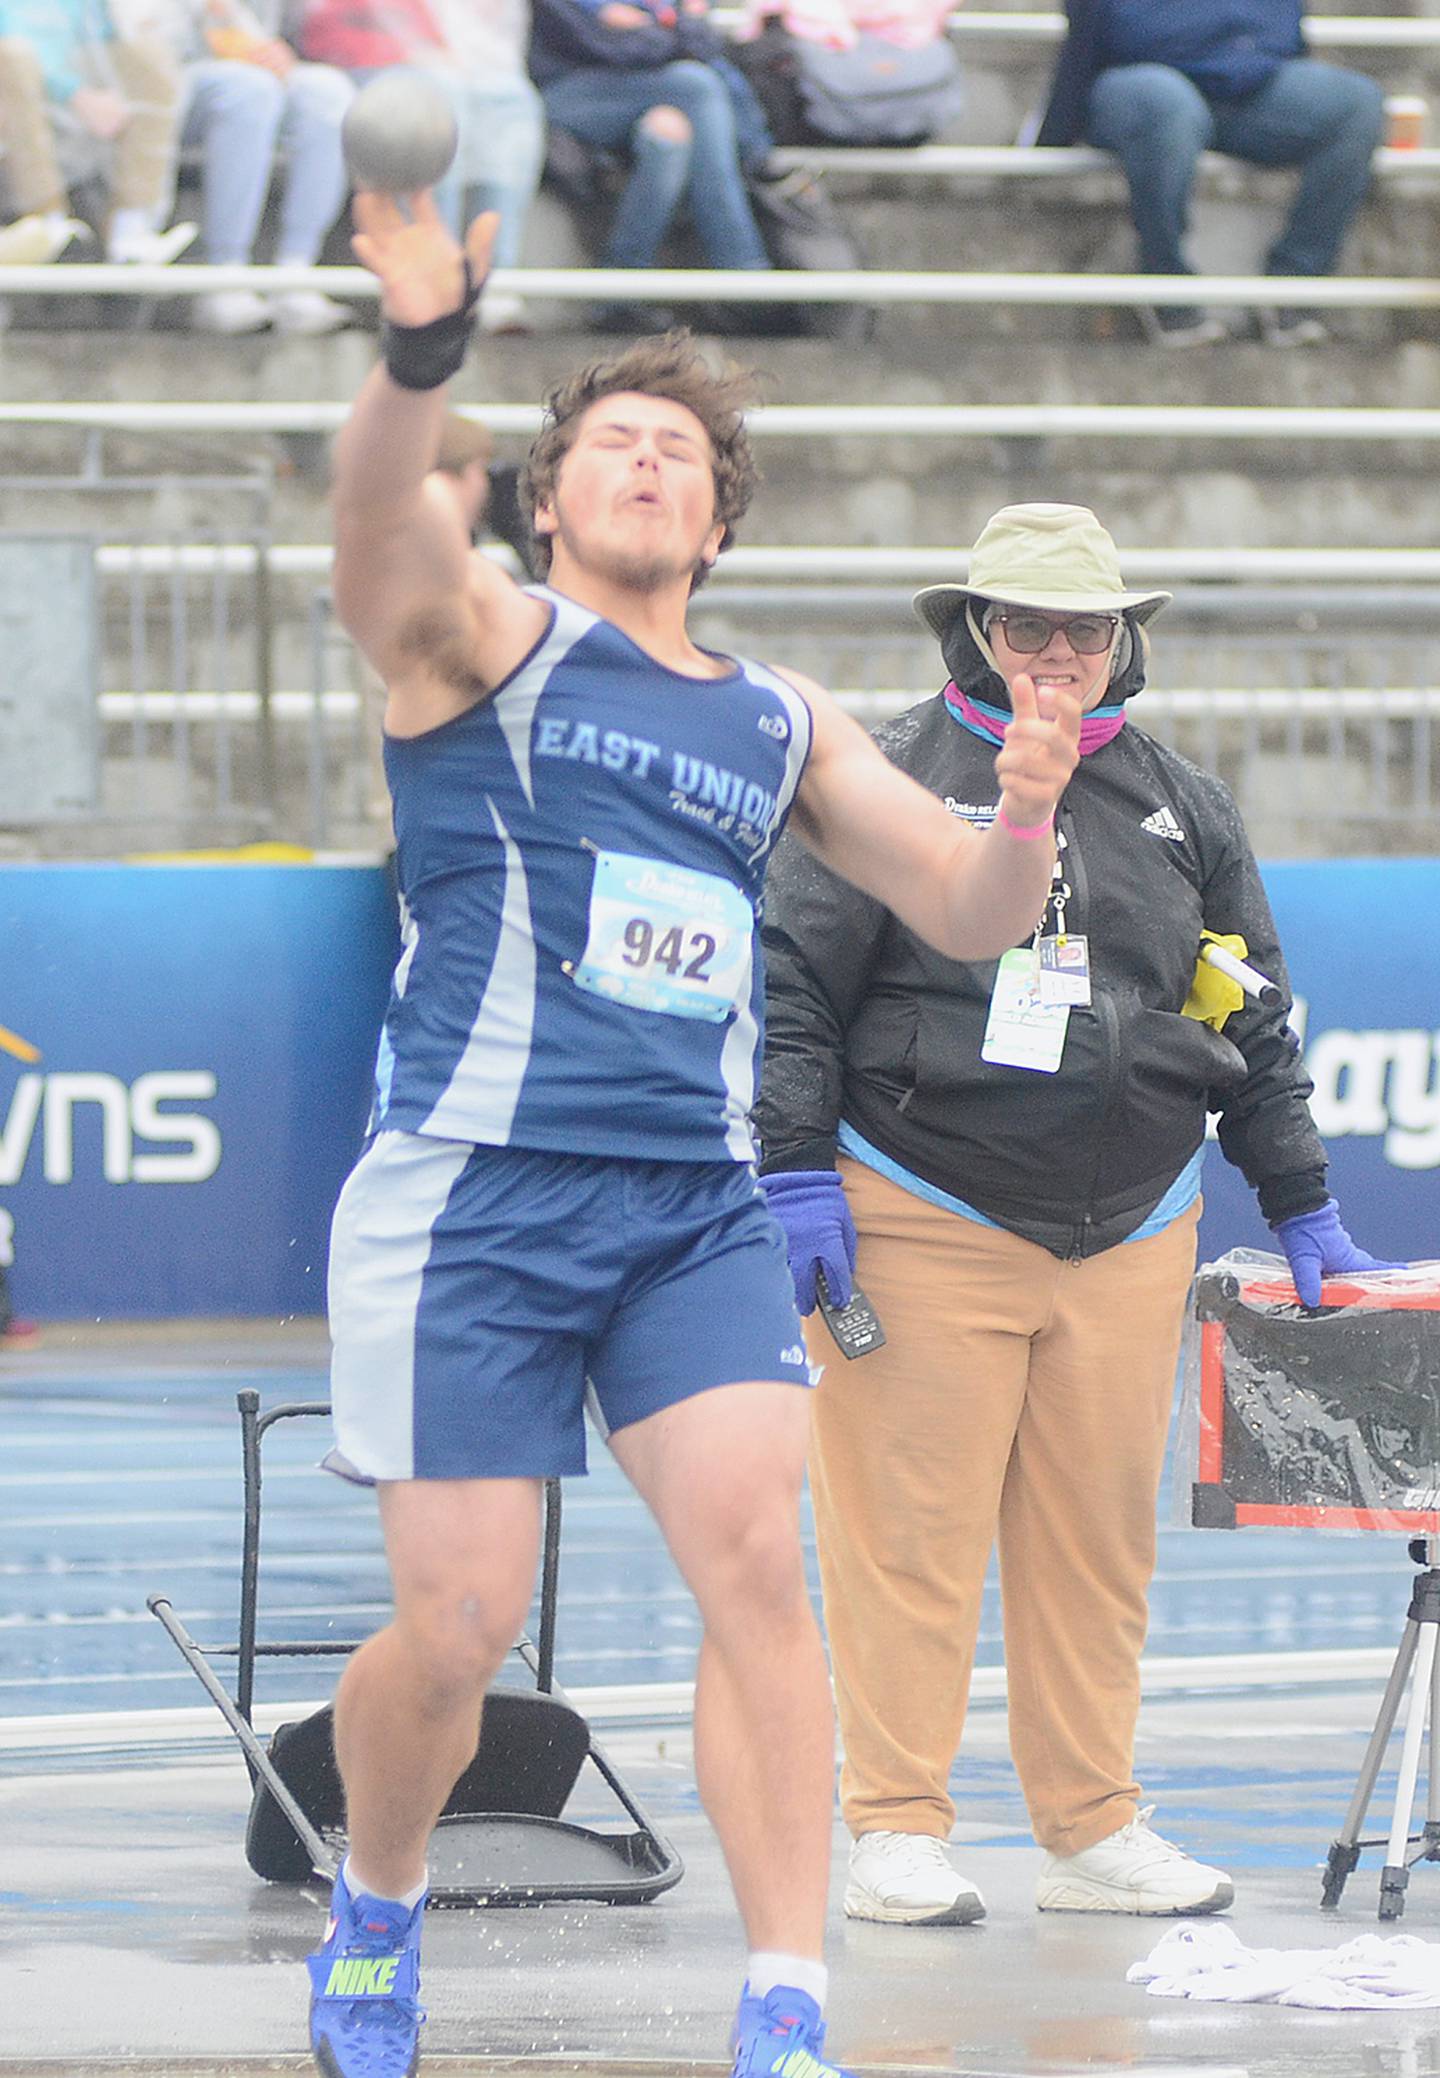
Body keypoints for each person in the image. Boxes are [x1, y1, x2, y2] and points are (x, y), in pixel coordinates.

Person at [306, 189, 1080, 2078]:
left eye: (682, 454)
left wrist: (1031, 814)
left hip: (692, 1211)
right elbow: (364, 524)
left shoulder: (783, 719)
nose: (648, 465)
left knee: (759, 1573)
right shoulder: (478, 639)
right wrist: (421, 356)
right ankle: (379, 1901)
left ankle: (787, 1997)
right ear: (549, 504)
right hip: (475, 1194)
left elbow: (968, 911)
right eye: (611, 446)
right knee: (461, 1623)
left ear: (719, 524)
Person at [753, 501, 1401, 1929]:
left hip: (1133, 1225)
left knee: (1100, 1543)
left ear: (1125, 643)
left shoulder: (1185, 802)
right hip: (922, 1207)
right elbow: (793, 981)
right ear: (975, 628)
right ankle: (897, 1825)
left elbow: (1252, 1011)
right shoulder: (890, 774)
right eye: (1028, 623)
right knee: (906, 1535)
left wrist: (1300, 1199)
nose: (1058, 651)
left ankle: (1092, 1822)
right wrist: (797, 1170)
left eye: (1086, 628)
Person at [1034, 0, 1385, 346]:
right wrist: (1053, 133)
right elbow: (1086, 37)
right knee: (1169, 106)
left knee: (1355, 103)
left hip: (1249, 84)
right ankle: (1167, 291)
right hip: (1142, 85)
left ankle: (1291, 291)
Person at [301, 0, 547, 334]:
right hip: (357, 64)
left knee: (514, 97)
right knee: (440, 93)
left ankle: (493, 277)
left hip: (443, 66)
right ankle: (433, 268)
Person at [529, 0, 776, 331]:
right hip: (565, 97)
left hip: (654, 93)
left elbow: (705, 43)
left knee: (669, 137)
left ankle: (616, 294)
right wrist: (669, 27)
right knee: (697, 85)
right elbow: (607, 48)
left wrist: (649, 27)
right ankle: (744, 273)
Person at [123, 0, 355, 334]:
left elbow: (255, 29)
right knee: (248, 90)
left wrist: (270, 51)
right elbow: (136, 31)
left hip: (243, 66)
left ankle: (295, 271)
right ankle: (226, 276)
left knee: (328, 91)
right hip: (162, 74)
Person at [0, 0, 196, 265]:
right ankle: (46, 222)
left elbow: (99, 32)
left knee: (147, 54)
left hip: (74, 69)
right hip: (25, 75)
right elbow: (14, 35)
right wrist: (75, 93)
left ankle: (131, 228)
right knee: (12, 56)